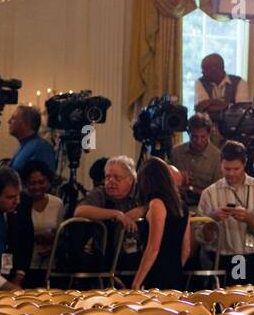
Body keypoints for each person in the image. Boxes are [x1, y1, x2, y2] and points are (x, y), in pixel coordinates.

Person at [196, 140, 254, 285]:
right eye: (227, 169)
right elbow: (201, 237)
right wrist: (212, 219)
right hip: (224, 259)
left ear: (244, 164)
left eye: (236, 169)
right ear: (220, 164)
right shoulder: (209, 193)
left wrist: (250, 219)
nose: (231, 174)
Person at [73, 155, 146, 279]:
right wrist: (116, 214)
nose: (111, 182)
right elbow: (80, 211)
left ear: (131, 179)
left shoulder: (142, 191)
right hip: (105, 257)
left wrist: (144, 209)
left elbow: (160, 203)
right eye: (107, 177)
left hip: (138, 257)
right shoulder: (101, 192)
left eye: (117, 178)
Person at [132, 156, 191, 289]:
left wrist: (137, 281)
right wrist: (174, 269)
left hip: (157, 273)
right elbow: (186, 249)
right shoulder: (181, 205)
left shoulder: (157, 204)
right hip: (176, 273)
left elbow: (153, 248)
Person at [21, 159, 64, 286]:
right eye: (32, 183)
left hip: (50, 265)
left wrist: (53, 247)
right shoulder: (20, 203)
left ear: (48, 182)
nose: (37, 187)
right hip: (24, 265)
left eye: (41, 182)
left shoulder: (57, 203)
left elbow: (60, 233)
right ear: (25, 184)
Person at [193, 53, 249, 141]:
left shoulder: (240, 82)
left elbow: (242, 110)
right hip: (209, 132)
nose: (202, 72)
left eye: (204, 69)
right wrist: (228, 105)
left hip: (235, 133)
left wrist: (210, 102)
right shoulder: (200, 82)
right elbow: (201, 107)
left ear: (215, 69)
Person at [172, 113, 222, 206]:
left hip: (205, 207)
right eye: (194, 136)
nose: (199, 141)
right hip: (177, 205)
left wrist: (190, 188)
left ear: (209, 134)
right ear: (188, 133)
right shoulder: (176, 152)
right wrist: (177, 177)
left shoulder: (217, 157)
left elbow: (217, 193)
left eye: (203, 137)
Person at [7, 105, 56, 177]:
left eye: (13, 118)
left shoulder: (41, 148)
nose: (8, 121)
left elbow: (42, 183)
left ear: (23, 123)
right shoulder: (25, 145)